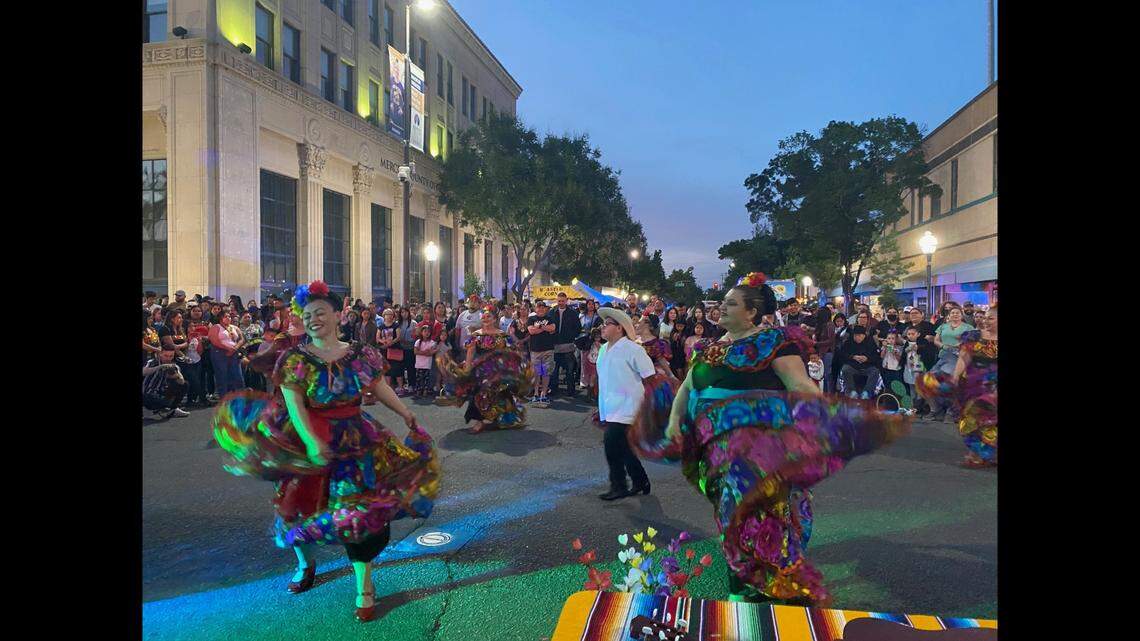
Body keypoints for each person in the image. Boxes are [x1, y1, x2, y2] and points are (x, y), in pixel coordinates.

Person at [629, 272, 909, 605]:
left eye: (731, 303)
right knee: (731, 512)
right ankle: (756, 583)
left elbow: (801, 386)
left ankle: (759, 588)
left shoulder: (774, 342)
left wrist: (839, 415)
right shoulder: (711, 347)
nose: (722, 307)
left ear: (751, 312)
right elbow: (688, 387)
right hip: (714, 449)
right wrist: (675, 420)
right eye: (723, 302)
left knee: (750, 513)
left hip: (758, 449)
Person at [213, 280, 438, 622]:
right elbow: (296, 405)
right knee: (296, 511)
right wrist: (313, 442)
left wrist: (404, 412)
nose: (314, 319)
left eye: (320, 312)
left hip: (356, 440)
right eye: (307, 314)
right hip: (308, 441)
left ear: (337, 314)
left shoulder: (360, 353)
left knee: (358, 513)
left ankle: (364, 584)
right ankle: (306, 563)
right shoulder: (294, 359)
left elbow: (378, 386)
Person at [922, 303, 997, 467]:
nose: (986, 320)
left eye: (990, 318)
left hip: (994, 387)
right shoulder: (973, 336)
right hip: (974, 385)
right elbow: (963, 358)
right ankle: (975, 454)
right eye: (985, 317)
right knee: (971, 419)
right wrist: (955, 377)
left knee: (992, 421)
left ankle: (989, 452)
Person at [436, 306, 531, 432]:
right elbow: (470, 352)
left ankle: (499, 417)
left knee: (501, 393)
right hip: (481, 369)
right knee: (478, 392)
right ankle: (479, 421)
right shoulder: (476, 335)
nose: (485, 319)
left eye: (489, 317)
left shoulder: (502, 335)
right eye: (484, 317)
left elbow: (508, 352)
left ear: (494, 319)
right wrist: (467, 368)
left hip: (498, 368)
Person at [594, 306, 655, 501]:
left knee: (611, 445)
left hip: (629, 406)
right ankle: (640, 480)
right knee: (624, 447)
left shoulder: (633, 349)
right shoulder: (603, 349)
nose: (603, 327)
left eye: (607, 324)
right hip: (610, 405)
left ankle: (618, 485)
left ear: (619, 328)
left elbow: (650, 375)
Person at [928, 304, 974, 421]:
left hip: (958, 359)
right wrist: (944, 346)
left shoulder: (968, 327)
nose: (955, 314)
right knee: (929, 381)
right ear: (949, 315)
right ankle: (936, 409)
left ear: (961, 314)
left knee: (950, 384)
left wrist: (961, 345)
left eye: (957, 313)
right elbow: (936, 340)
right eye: (952, 313)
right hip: (943, 357)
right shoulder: (943, 327)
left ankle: (951, 411)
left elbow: (972, 343)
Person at [550, 292, 583, 397]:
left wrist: (571, 336)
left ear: (566, 301)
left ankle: (571, 391)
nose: (561, 303)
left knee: (569, 371)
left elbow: (578, 328)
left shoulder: (573, 313)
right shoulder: (551, 312)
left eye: (562, 301)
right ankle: (554, 390)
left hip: (568, 346)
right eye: (559, 301)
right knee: (554, 370)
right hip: (554, 345)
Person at [142, 348, 191, 419]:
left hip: (160, 391)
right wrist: (160, 367)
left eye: (171, 356)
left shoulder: (174, 366)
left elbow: (182, 382)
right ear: (160, 354)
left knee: (185, 384)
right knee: (158, 400)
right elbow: (144, 372)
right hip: (147, 393)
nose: (168, 358)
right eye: (166, 355)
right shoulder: (152, 362)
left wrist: (176, 375)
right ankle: (152, 409)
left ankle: (173, 409)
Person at [837, 325, 882, 399]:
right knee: (845, 369)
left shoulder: (870, 342)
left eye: (859, 335)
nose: (857, 337)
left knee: (875, 371)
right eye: (855, 335)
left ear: (864, 335)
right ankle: (851, 391)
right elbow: (843, 355)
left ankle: (867, 392)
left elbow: (876, 357)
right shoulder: (848, 342)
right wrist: (853, 357)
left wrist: (867, 358)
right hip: (853, 366)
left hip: (867, 366)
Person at [526, 300, 557, 406]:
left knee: (546, 372)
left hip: (548, 349)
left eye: (543, 307)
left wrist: (540, 327)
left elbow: (552, 328)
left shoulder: (550, 318)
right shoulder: (531, 319)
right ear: (535, 309)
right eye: (538, 307)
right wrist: (545, 328)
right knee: (537, 373)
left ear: (546, 309)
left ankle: (543, 393)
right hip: (535, 350)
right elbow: (531, 331)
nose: (540, 309)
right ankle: (535, 393)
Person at [208, 311, 245, 396]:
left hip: (234, 353)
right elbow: (214, 340)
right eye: (225, 316)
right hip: (220, 353)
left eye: (229, 316)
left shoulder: (234, 327)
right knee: (222, 376)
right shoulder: (216, 327)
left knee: (237, 375)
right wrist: (227, 348)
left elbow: (241, 339)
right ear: (221, 318)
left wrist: (235, 348)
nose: (228, 318)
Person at [413, 325, 438, 398]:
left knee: (426, 378)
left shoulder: (432, 342)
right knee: (419, 378)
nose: (427, 333)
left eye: (428, 332)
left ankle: (425, 391)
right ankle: (418, 391)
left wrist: (425, 352)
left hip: (427, 364)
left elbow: (431, 353)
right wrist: (425, 352)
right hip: (419, 364)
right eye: (425, 331)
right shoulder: (418, 342)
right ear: (421, 332)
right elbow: (415, 352)